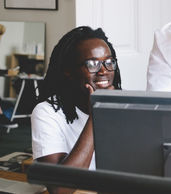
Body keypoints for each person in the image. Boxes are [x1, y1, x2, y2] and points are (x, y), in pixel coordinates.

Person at [31, 26, 121, 174]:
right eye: (92, 64)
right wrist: (95, 116)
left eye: (109, 62)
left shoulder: (124, 105)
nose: (104, 70)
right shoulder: (47, 112)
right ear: (69, 70)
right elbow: (59, 189)